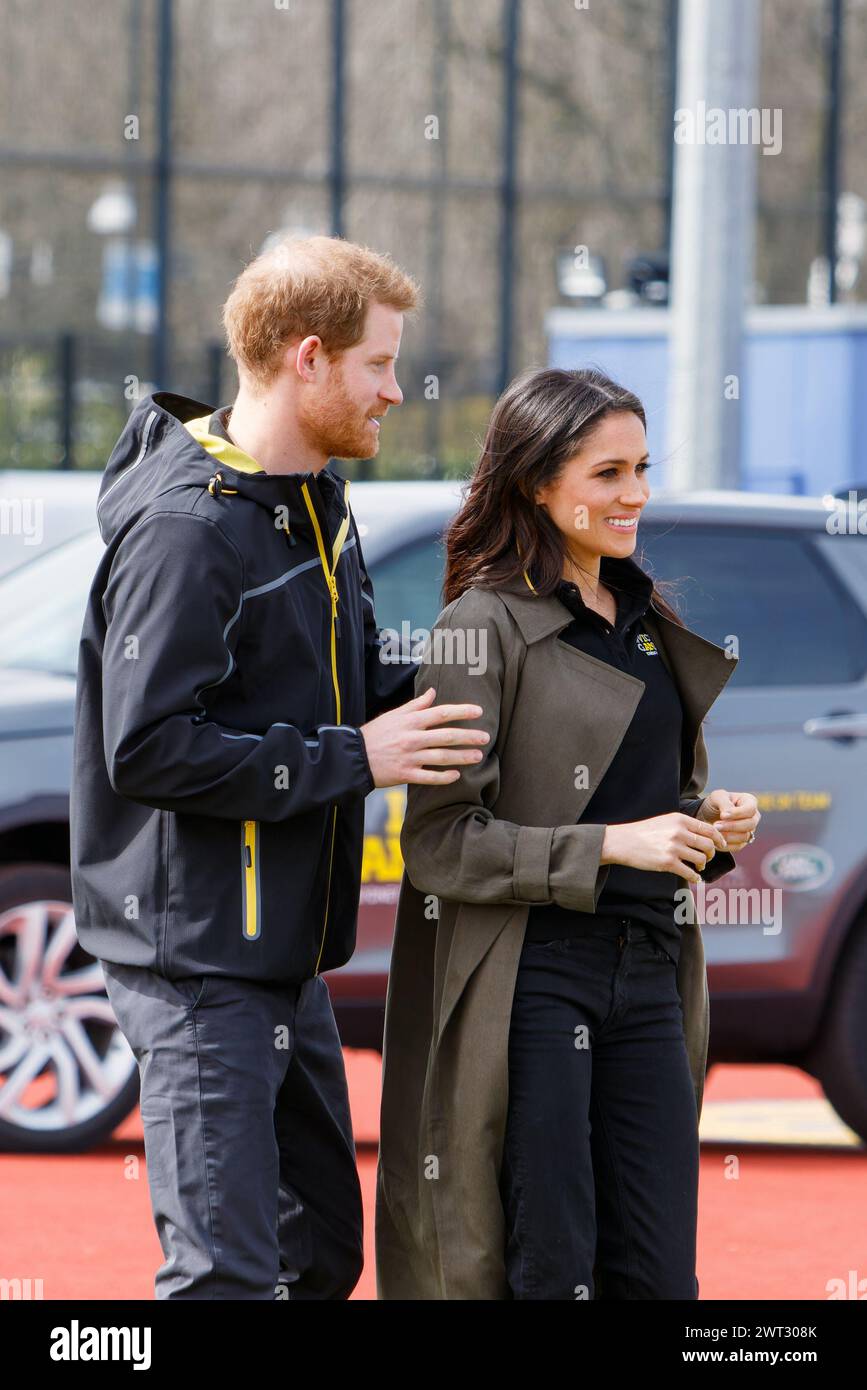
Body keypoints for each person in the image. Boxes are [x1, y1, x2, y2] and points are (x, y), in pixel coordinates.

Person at [70, 234, 489, 1300]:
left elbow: (330, 683)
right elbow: (148, 747)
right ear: (308, 358)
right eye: (379, 364)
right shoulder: (188, 535)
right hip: (198, 961)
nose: (397, 390)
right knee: (223, 1280)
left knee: (319, 1257)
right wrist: (358, 756)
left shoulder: (314, 501)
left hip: (281, 959)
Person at [376, 366, 761, 1300]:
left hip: (651, 971)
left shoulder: (643, 619)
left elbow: (646, 801)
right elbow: (439, 843)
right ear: (536, 483)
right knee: (552, 1264)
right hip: (536, 981)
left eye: (639, 469)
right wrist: (606, 846)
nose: (632, 494)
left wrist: (710, 827)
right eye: (605, 473)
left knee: (660, 1273)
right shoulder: (482, 626)